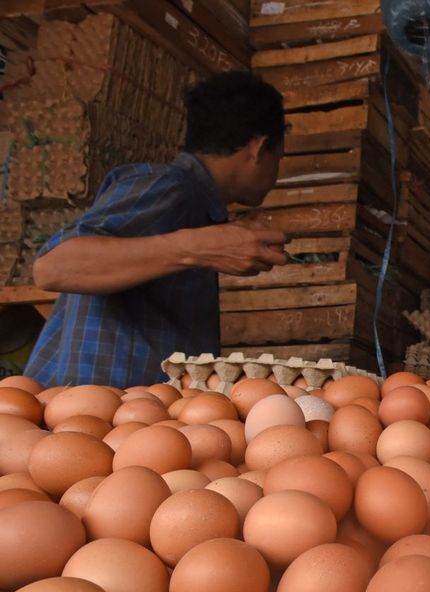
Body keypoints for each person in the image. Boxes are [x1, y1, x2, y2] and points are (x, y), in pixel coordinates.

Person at [25, 71, 290, 388]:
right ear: (258, 149)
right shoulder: (168, 186)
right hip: (89, 418)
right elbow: (52, 267)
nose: (276, 172)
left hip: (131, 420)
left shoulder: (198, 208)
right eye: (279, 157)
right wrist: (196, 247)